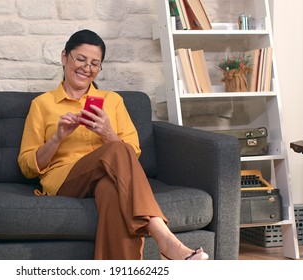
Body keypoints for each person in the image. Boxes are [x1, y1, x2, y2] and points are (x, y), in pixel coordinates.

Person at [18, 29, 208, 260]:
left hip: (108, 177)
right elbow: (27, 166)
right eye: (80, 59)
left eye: (95, 63)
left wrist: (108, 133)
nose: (87, 68)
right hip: (66, 182)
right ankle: (163, 237)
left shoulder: (113, 101)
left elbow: (133, 152)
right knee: (117, 149)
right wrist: (58, 137)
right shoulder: (42, 104)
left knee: (112, 191)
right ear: (64, 57)